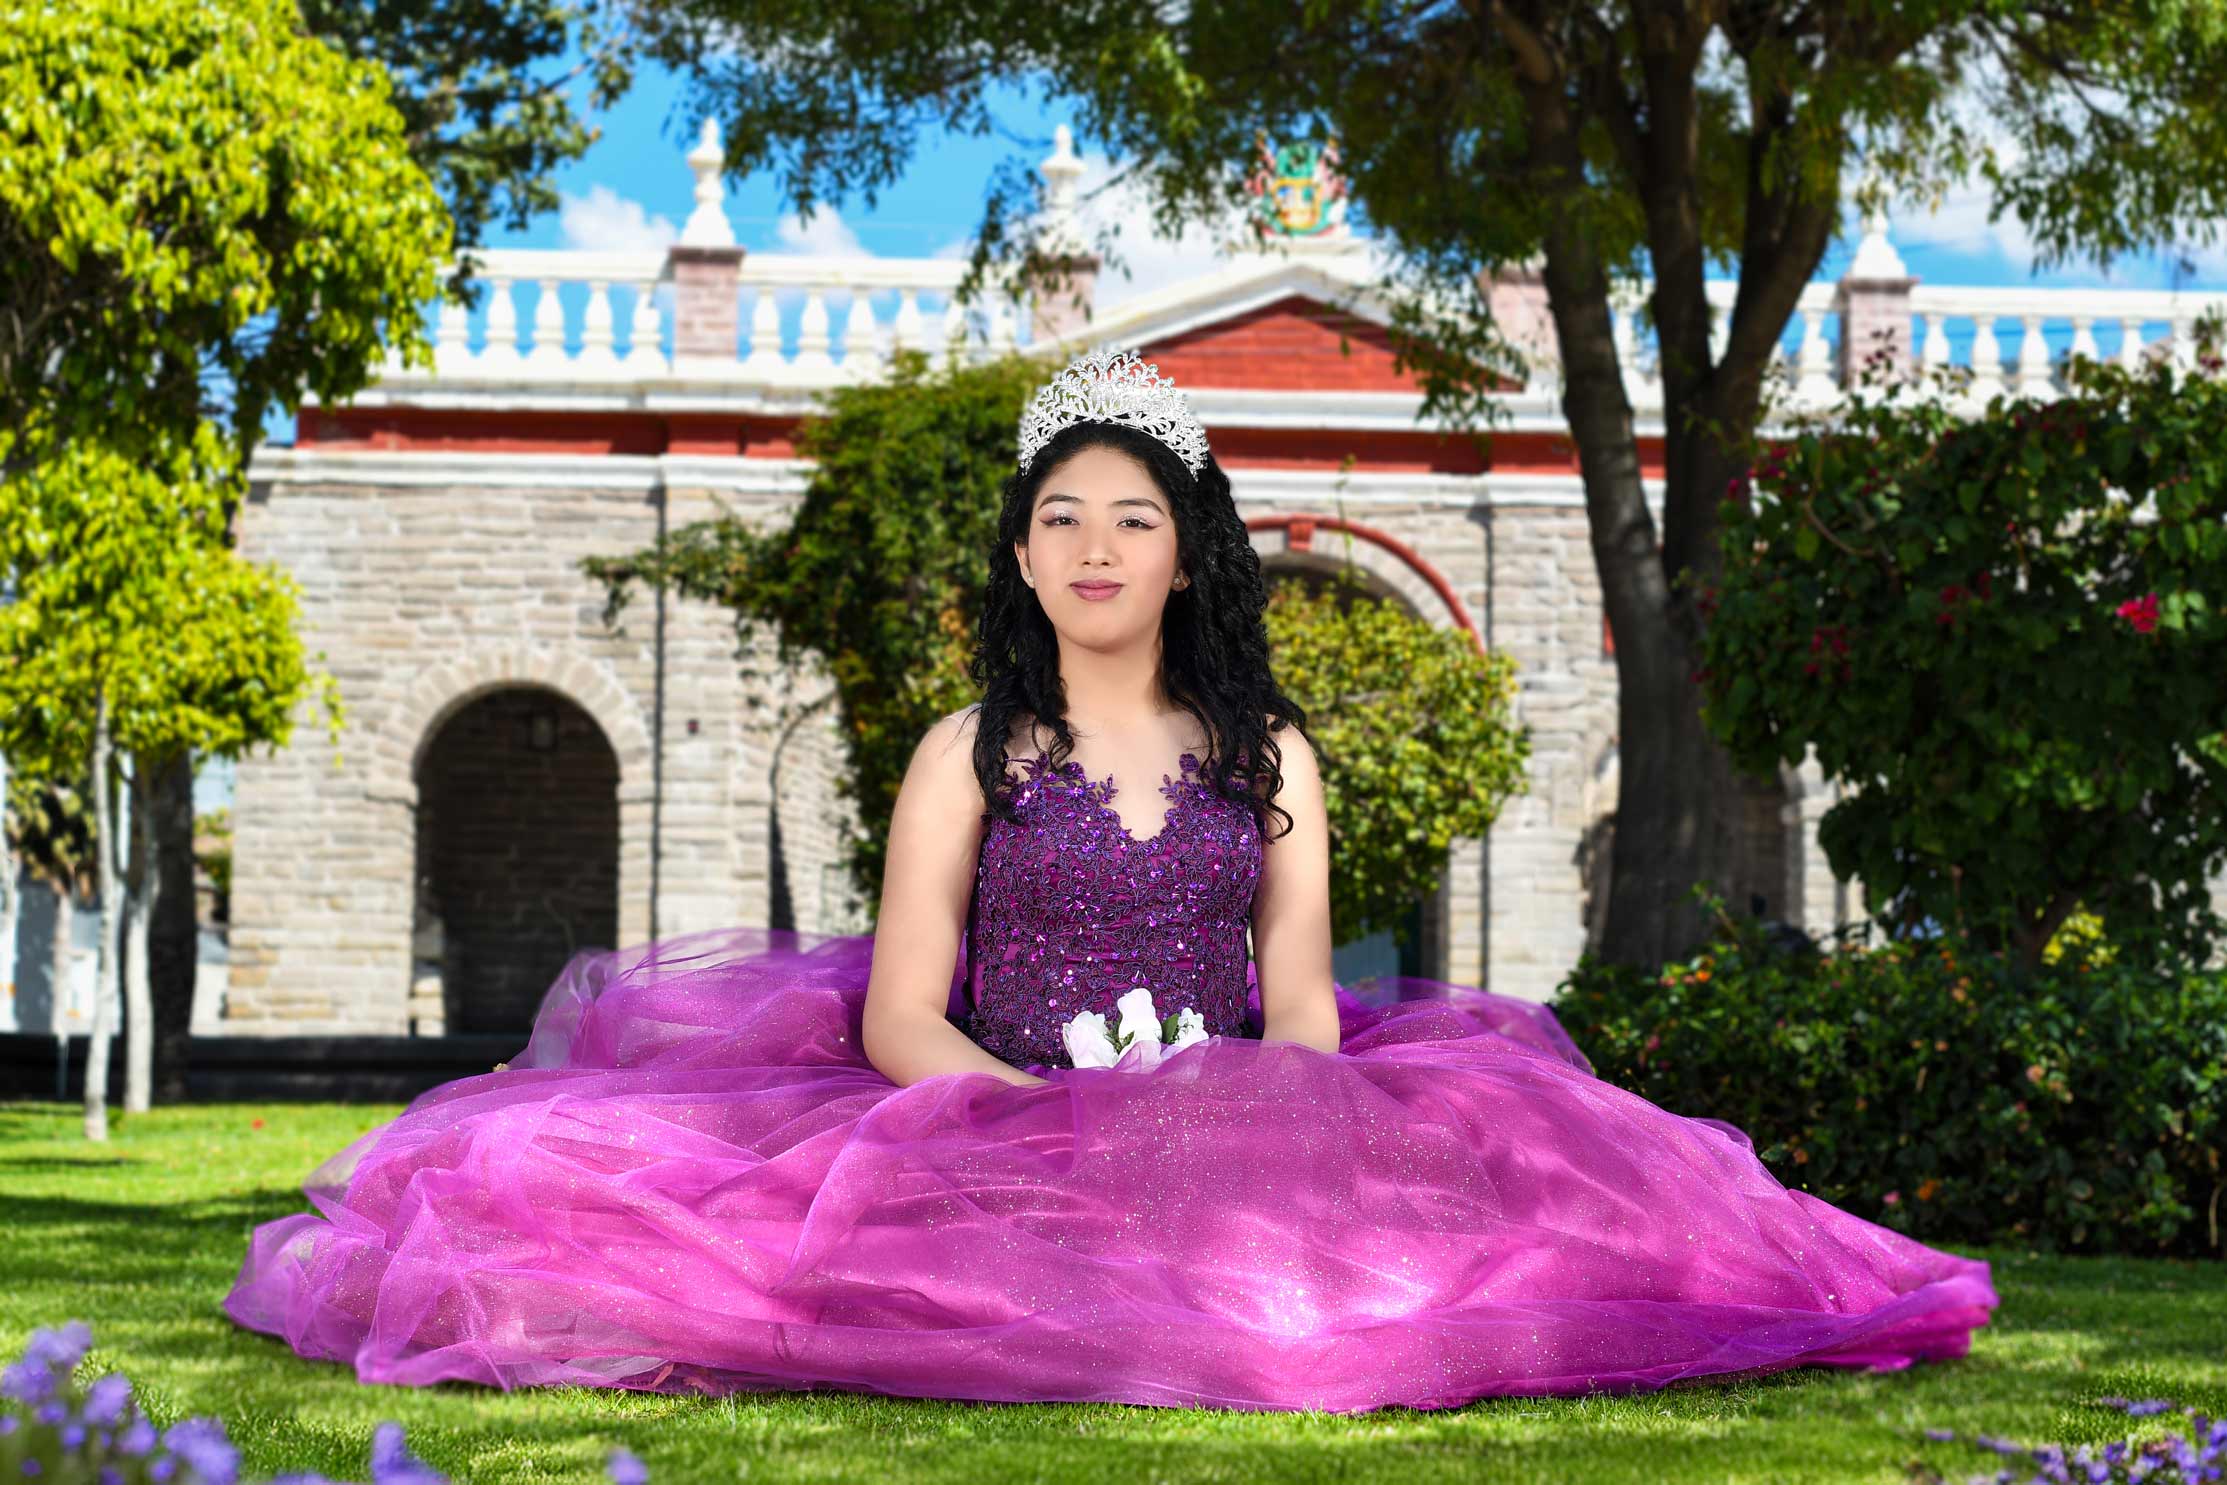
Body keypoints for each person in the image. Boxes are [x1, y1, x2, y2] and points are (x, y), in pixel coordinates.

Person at [223, 346, 1998, 1413]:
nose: (1095, 546)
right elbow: (899, 1009)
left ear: (1186, 552)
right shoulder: (963, 756)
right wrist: (1027, 1118)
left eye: (1133, 517)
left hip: (1222, 1112)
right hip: (975, 1116)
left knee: (1485, 1242)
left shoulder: (1275, 757)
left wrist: (1256, 1126)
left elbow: (1300, 1004)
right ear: (1021, 551)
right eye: (1062, 516)